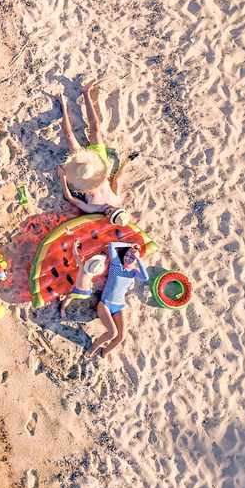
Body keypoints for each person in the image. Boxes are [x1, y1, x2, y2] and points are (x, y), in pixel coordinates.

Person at [56, 80, 134, 214]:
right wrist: (126, 162)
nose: (110, 211)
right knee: (96, 128)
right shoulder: (116, 200)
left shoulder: (93, 208)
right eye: (114, 211)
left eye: (110, 214)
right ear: (119, 209)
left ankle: (63, 106)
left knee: (69, 135)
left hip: (81, 171)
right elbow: (117, 179)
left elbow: (70, 198)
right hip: (99, 163)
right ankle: (86, 92)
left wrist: (63, 178)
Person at [89, 243, 147, 359]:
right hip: (105, 304)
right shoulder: (116, 264)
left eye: (132, 257)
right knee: (112, 333)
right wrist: (130, 245)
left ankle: (105, 352)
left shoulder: (133, 273)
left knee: (121, 336)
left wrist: (138, 259)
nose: (128, 257)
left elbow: (145, 277)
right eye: (127, 254)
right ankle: (94, 346)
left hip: (119, 307)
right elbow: (111, 245)